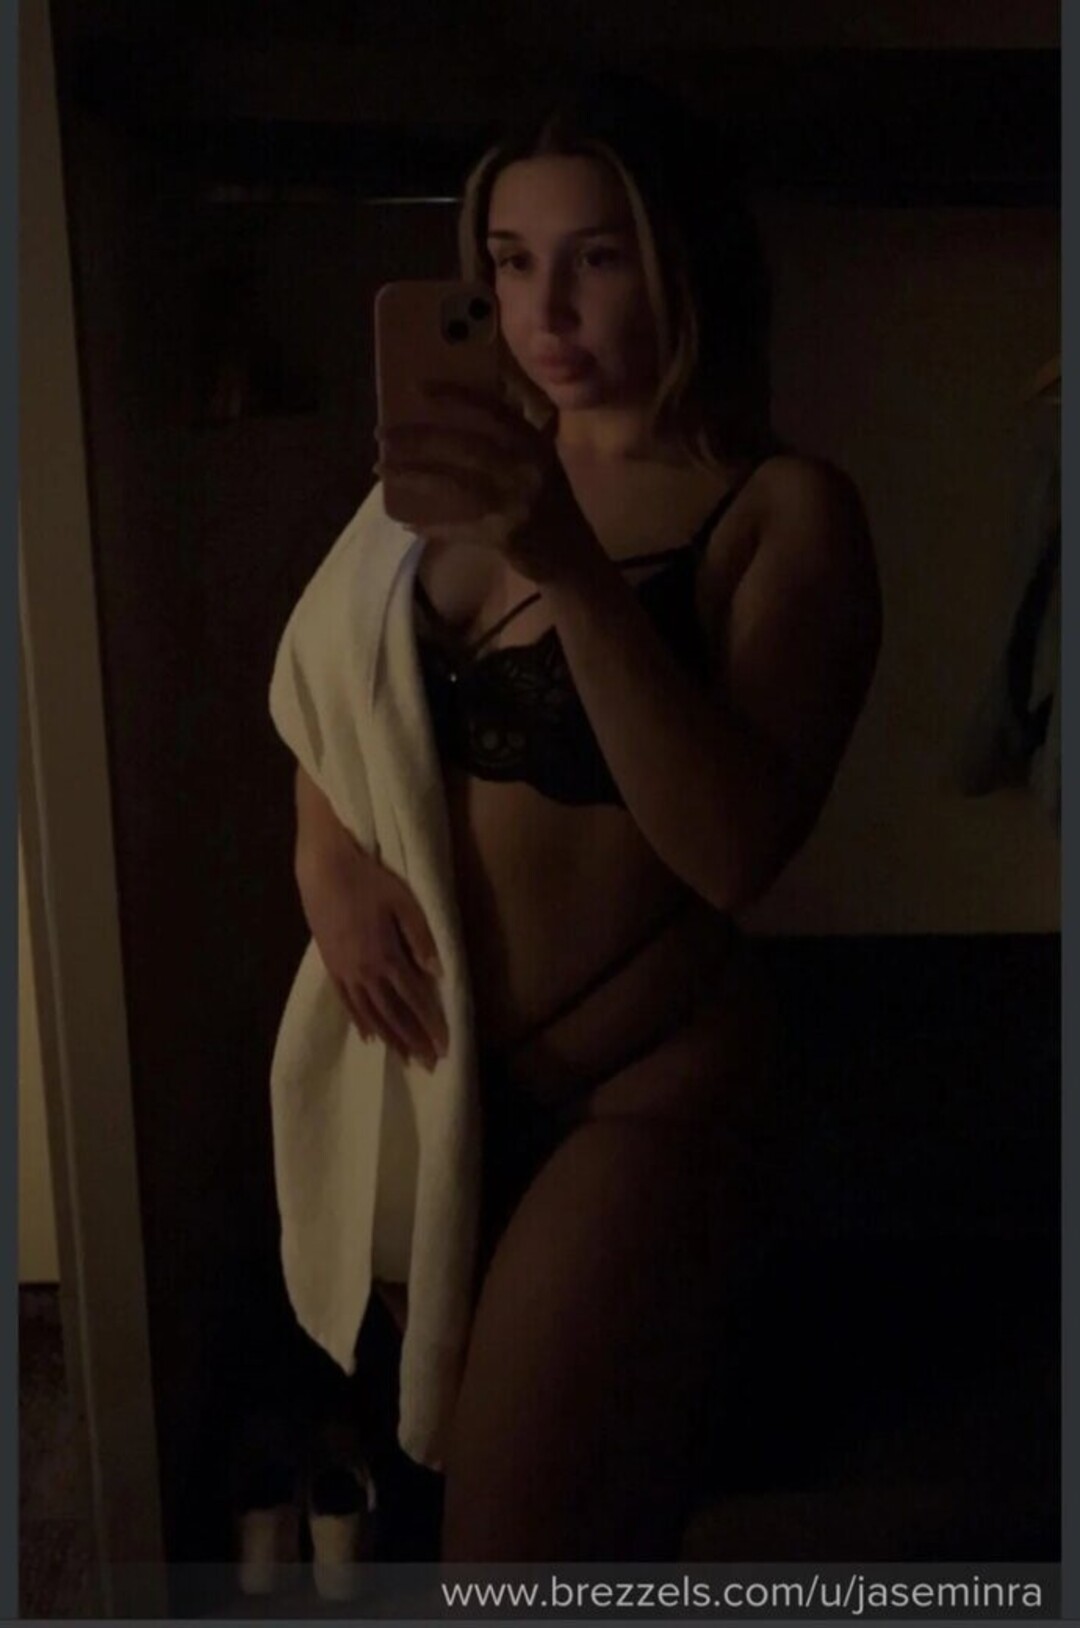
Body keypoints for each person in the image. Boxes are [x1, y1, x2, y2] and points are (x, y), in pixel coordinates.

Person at [290, 72, 882, 1561]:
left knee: (511, 1553)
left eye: (595, 257)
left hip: (643, 1084)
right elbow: (335, 693)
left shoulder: (782, 512)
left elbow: (734, 850)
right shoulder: (451, 471)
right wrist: (326, 860)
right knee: (465, 1513)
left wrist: (566, 561)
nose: (543, 307)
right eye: (509, 260)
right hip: (440, 1086)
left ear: (683, 264)